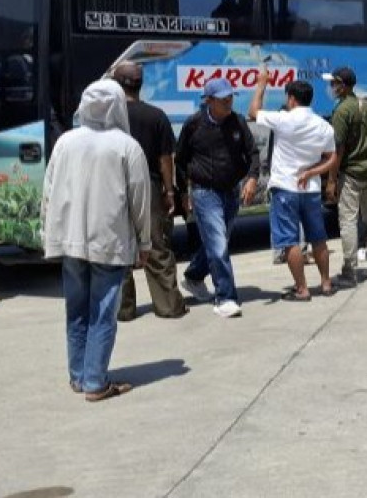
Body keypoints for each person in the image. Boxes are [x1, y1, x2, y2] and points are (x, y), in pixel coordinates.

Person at [43, 80, 150, 402]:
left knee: (76, 311)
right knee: (103, 313)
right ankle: (95, 383)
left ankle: (79, 376)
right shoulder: (127, 146)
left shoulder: (65, 142)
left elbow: (48, 192)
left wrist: (48, 233)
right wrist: (144, 243)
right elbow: (140, 200)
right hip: (110, 241)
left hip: (69, 239)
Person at [248, 67, 337, 301]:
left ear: (291, 98)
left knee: (289, 241)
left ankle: (302, 288)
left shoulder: (284, 119)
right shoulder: (323, 126)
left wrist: (261, 83)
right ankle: (326, 283)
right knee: (318, 238)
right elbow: (331, 159)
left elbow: (253, 111)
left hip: (285, 188)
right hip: (311, 190)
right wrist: (311, 172)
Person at [176, 78, 261, 318]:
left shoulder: (237, 122)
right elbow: (180, 161)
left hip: (231, 191)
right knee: (219, 244)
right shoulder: (194, 124)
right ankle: (225, 297)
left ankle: (193, 276)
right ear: (209, 100)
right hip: (204, 192)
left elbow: (252, 153)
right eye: (223, 99)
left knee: (217, 242)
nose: (228, 102)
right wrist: (183, 193)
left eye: (230, 97)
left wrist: (252, 178)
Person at [110, 62, 186, 321]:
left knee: (119, 247)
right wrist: (169, 190)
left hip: (115, 187)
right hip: (150, 187)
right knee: (157, 246)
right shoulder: (156, 115)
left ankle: (123, 309)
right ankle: (168, 306)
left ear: (117, 84)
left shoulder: (109, 118)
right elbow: (166, 158)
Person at [324, 67, 367, 283]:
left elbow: (338, 149)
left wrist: (331, 180)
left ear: (343, 85)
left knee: (348, 221)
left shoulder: (342, 111)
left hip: (351, 173)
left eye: (333, 83)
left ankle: (349, 271)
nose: (331, 87)